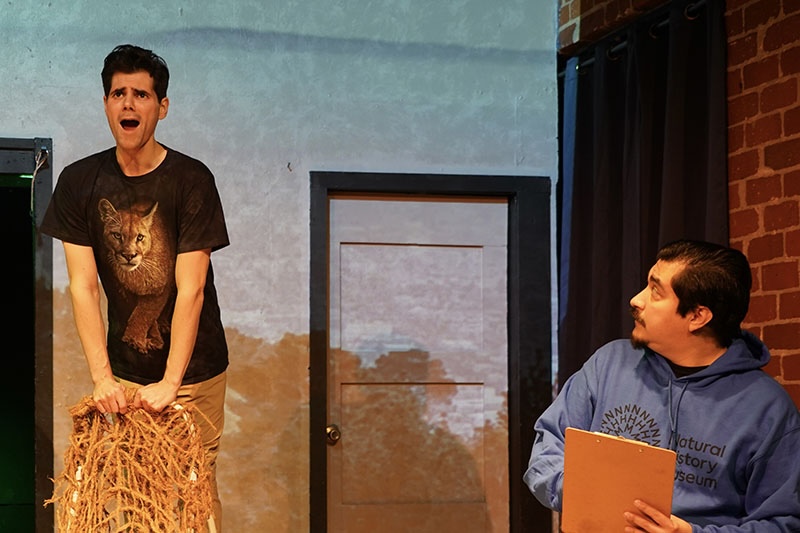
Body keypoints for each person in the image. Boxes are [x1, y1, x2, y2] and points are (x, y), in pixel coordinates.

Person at [41, 44, 229, 532]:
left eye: (141, 94)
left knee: (190, 500)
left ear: (161, 108)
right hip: (124, 374)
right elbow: (83, 287)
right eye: (118, 93)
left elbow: (191, 289)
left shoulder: (191, 180)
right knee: (135, 498)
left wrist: (171, 383)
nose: (128, 103)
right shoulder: (79, 182)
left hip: (194, 374)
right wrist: (103, 378)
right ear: (106, 104)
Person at [524, 240, 800, 532]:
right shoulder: (608, 365)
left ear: (697, 316)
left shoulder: (767, 409)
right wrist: (585, 493)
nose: (636, 300)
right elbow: (548, 448)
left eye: (655, 291)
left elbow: (782, 523)